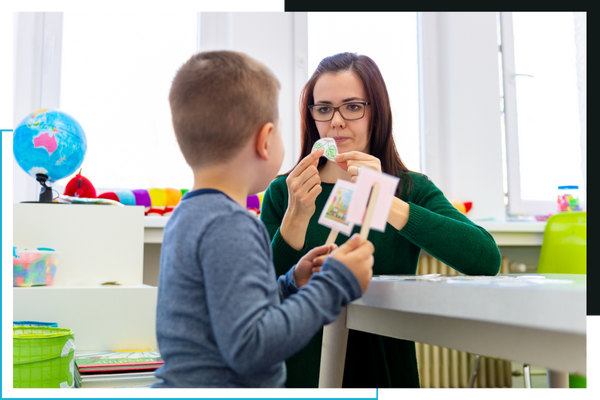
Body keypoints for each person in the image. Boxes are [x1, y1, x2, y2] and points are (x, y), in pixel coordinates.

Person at [260, 52, 502, 391]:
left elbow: (485, 259)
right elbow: (262, 300)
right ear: (311, 116)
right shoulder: (285, 192)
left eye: (353, 106)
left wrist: (389, 202)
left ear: (378, 112)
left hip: (383, 374)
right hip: (301, 375)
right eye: (324, 108)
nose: (337, 121)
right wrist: (295, 220)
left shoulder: (411, 188)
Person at [151, 50, 375, 391]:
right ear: (265, 140)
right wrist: (336, 283)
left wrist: (289, 283)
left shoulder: (187, 214)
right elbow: (251, 347)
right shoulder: (233, 225)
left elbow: (229, 313)